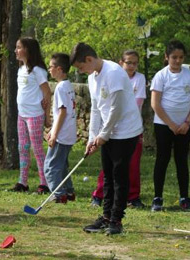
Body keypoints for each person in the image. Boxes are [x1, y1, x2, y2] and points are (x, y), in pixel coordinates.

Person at [71, 42, 143, 235]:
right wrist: (92, 137)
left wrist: (104, 135)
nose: (81, 71)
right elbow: (96, 108)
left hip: (126, 131)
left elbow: (116, 109)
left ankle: (116, 220)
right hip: (109, 131)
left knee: (120, 175)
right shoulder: (93, 77)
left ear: (89, 59)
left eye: (81, 67)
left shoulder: (114, 73)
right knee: (108, 175)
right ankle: (105, 217)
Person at [90, 50, 147, 208]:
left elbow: (136, 104)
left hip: (130, 128)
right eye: (128, 62)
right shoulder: (110, 76)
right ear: (121, 62)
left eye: (135, 63)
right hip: (109, 128)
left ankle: (133, 197)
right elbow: (100, 108)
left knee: (132, 164)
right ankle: (99, 194)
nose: (132, 66)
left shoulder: (139, 78)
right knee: (109, 167)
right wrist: (100, 133)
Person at [150, 40, 190, 212]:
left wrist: (187, 122)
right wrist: (171, 124)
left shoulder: (189, 74)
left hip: (185, 126)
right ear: (167, 57)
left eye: (181, 57)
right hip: (164, 125)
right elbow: (155, 104)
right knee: (162, 159)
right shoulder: (161, 76)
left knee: (182, 160)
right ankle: (158, 197)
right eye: (174, 57)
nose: (178, 61)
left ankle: (184, 197)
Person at [13, 37, 51, 193]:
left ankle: (45, 182)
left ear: (28, 50)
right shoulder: (21, 69)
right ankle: (23, 181)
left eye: (19, 47)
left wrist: (46, 115)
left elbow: (47, 91)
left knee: (37, 149)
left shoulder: (38, 70)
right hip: (22, 115)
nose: (16, 50)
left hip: (34, 115)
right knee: (23, 148)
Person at [43, 53, 76, 203]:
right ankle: (68, 192)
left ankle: (58, 194)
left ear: (59, 68)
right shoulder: (68, 85)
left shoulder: (61, 88)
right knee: (62, 166)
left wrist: (54, 134)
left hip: (62, 135)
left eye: (51, 67)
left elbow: (62, 111)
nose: (49, 69)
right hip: (68, 133)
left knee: (50, 167)